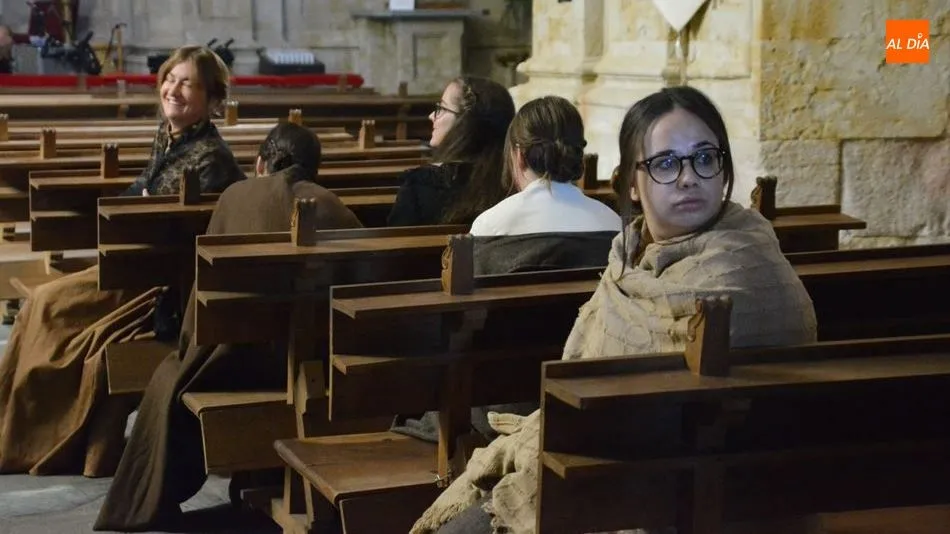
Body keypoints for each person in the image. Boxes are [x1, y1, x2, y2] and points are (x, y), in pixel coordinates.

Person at [409, 86, 819, 534]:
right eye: (665, 163)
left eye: (705, 157)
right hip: (604, 471)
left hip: (662, 499)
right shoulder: (626, 259)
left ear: (724, 169)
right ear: (631, 185)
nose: (688, 177)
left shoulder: (748, 274)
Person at [94, 123, 364, 532]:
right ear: (314, 170)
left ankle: (153, 499)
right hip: (315, 365)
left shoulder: (235, 196)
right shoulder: (335, 208)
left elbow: (205, 294)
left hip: (235, 361)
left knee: (171, 376)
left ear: (260, 163)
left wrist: (187, 349)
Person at [0, 45, 243, 479]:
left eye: (188, 83)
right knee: (39, 304)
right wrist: (135, 208)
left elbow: (184, 236)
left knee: (49, 309)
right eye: (170, 78)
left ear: (211, 98)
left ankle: (30, 439)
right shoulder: (169, 137)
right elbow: (139, 193)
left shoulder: (211, 157)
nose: (174, 89)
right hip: (131, 265)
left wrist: (142, 214)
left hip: (157, 286)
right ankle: (11, 428)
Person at [391, 96, 622, 447]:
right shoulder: (611, 223)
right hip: (584, 392)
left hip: (501, 403)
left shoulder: (492, 224)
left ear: (516, 154)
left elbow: (465, 325)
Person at [387, 76, 515, 226]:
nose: (431, 116)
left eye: (441, 108)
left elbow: (395, 244)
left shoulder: (421, 186)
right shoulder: (513, 183)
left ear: (464, 123)